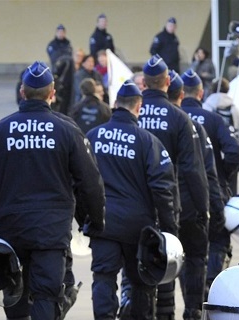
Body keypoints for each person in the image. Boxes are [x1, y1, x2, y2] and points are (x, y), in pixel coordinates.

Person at [0, 61, 106, 320]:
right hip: (51, 233)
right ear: (52, 93)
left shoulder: (0, 131)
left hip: (11, 230)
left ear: (22, 92)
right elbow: (89, 183)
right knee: (46, 296)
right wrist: (94, 222)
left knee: (14, 294)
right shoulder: (67, 130)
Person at [86, 80, 176, 320]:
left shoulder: (93, 136)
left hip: (102, 222)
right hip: (138, 227)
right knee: (141, 283)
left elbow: (79, 181)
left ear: (115, 104)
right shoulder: (147, 141)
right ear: (139, 107)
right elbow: (162, 187)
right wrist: (169, 230)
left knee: (103, 277)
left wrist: (86, 216)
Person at [139, 55, 208, 320]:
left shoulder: (133, 112)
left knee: (146, 264)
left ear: (143, 83)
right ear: (167, 82)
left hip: (140, 205)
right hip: (177, 204)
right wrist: (203, 208)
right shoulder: (180, 119)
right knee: (188, 256)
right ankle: (192, 311)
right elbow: (193, 170)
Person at [179, 69, 239, 304]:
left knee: (186, 251)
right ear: (200, 93)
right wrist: (223, 173)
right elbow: (236, 150)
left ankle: (190, 300)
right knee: (217, 240)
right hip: (212, 191)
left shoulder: (175, 118)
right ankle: (212, 286)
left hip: (180, 196)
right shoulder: (213, 119)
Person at [168, 70, 220, 320]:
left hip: (161, 207)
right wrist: (208, 208)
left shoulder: (144, 122)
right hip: (189, 205)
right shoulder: (194, 126)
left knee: (168, 259)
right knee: (196, 258)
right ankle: (193, 310)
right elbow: (204, 172)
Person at [203, 78, 239, 194]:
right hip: (232, 159)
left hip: (212, 158)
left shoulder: (206, 108)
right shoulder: (235, 109)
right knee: (231, 191)